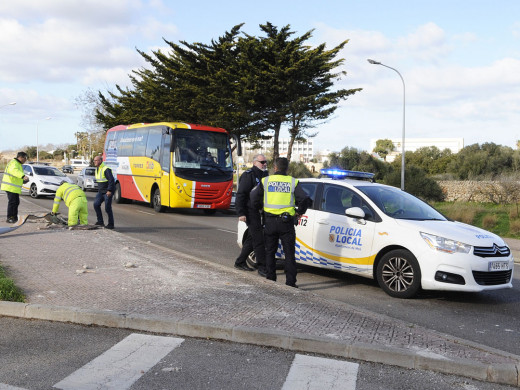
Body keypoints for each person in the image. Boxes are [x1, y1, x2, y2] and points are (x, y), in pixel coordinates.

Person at [250, 157, 312, 287]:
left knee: (270, 252)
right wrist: (299, 212)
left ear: (275, 168)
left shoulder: (266, 181)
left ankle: (271, 279)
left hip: (270, 222)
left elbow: (254, 197)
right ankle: (290, 283)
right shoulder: (292, 182)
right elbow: (305, 199)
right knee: (289, 254)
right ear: (287, 168)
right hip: (286, 223)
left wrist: (260, 209)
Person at [234, 154, 269, 275]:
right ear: (255, 163)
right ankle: (262, 267)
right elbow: (241, 195)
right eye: (262, 162)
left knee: (251, 238)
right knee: (259, 239)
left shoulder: (265, 174)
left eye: (266, 162)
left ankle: (240, 262)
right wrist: (241, 213)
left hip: (260, 211)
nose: (264, 164)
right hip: (250, 211)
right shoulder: (249, 175)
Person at [1, 151, 29, 223]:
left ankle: (14, 217)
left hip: (13, 187)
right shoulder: (14, 163)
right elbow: (14, 171)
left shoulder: (18, 164)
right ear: (21, 157)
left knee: (16, 202)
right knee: (13, 202)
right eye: (25, 158)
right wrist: (23, 176)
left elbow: (15, 176)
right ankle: (10, 217)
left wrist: (22, 181)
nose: (25, 160)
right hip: (10, 187)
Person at [93, 156, 115, 229]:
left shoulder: (106, 169)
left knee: (107, 208)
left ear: (100, 161)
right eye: (94, 160)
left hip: (107, 192)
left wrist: (109, 190)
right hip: (101, 191)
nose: (94, 162)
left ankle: (111, 224)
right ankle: (100, 221)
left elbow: (111, 180)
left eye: (96, 160)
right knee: (96, 204)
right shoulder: (97, 169)